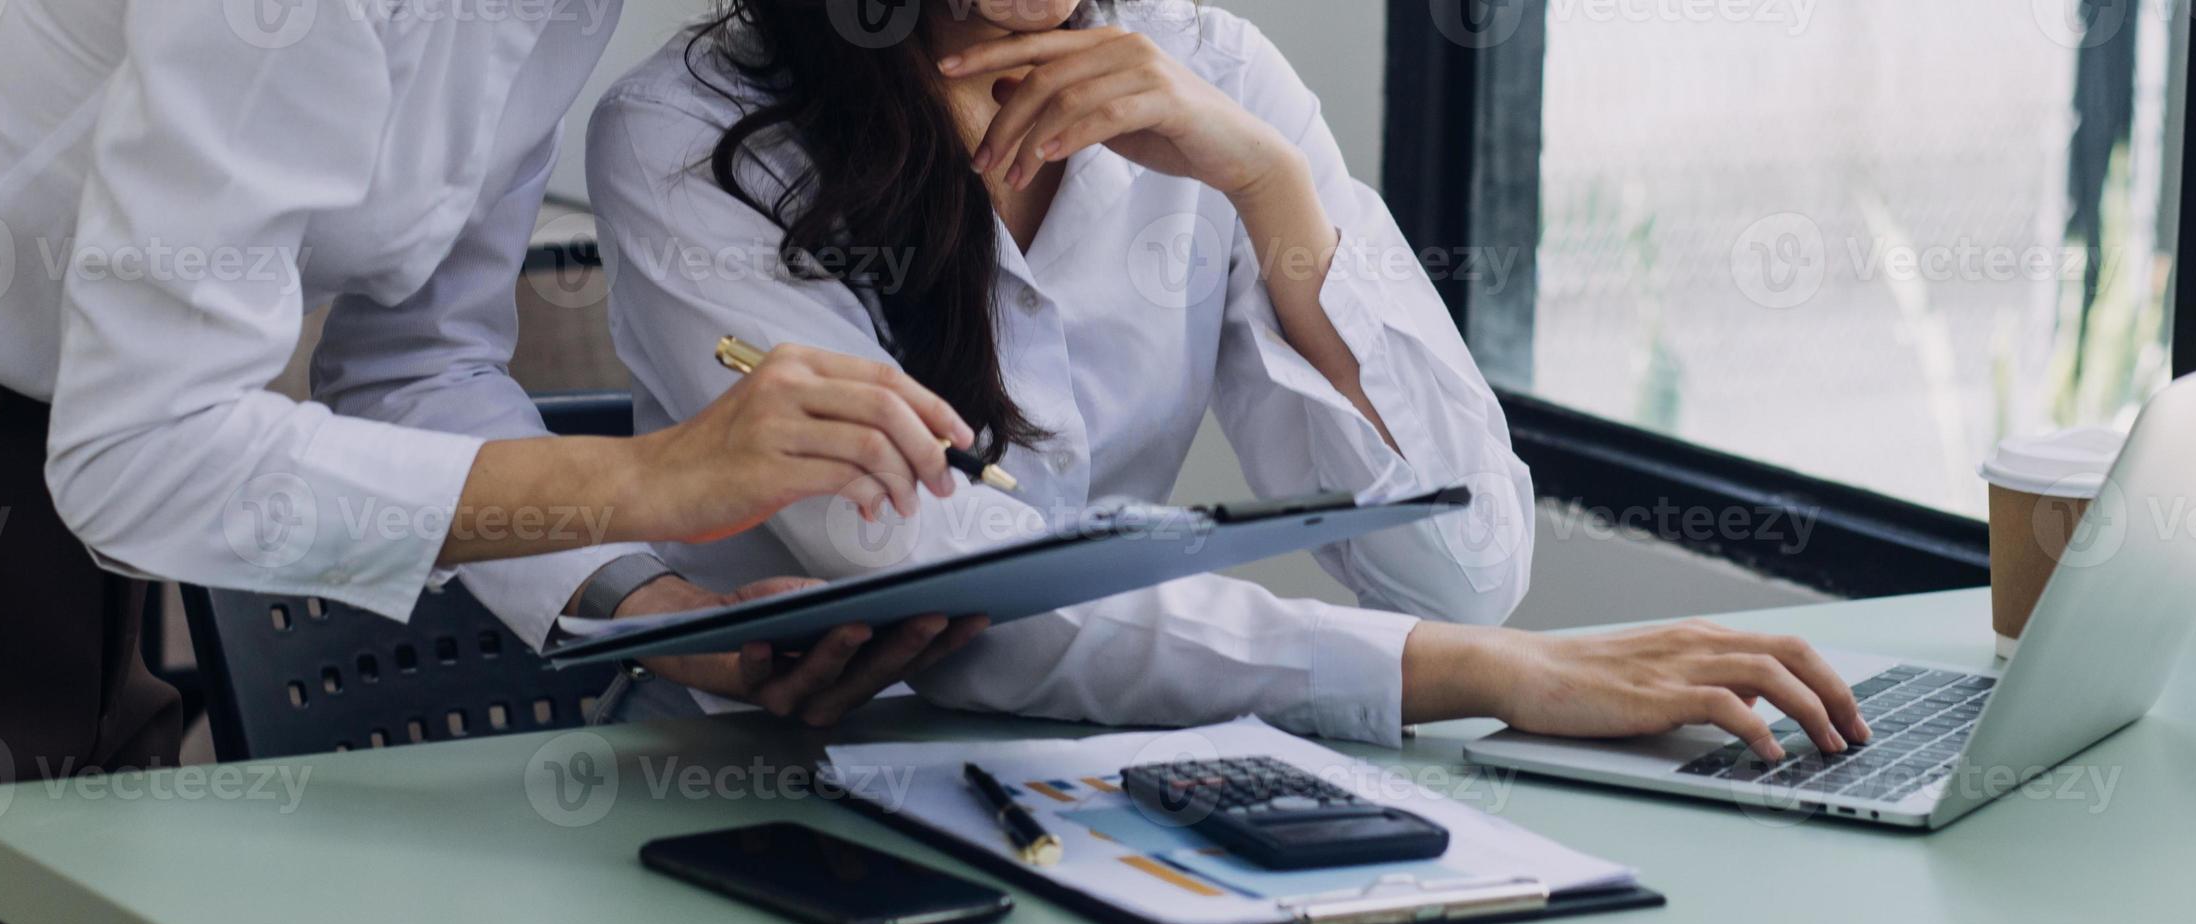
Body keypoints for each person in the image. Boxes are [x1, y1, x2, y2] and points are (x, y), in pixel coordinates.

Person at [0, 5, 981, 924]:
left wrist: (647, 603)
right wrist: (644, 477)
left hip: (57, 468)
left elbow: (415, 364)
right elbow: (146, 453)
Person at [587, 0, 1873, 753]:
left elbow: (1466, 565)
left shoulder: (1215, 70)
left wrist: (1269, 190)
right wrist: (1480, 672)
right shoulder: (686, 135)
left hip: (1102, 776)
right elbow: (950, 591)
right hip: (759, 778)